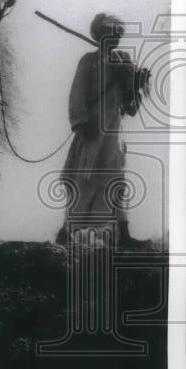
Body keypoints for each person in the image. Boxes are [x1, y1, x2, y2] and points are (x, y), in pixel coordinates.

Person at [56, 12, 149, 248]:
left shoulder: (124, 61)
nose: (115, 38)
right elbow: (77, 93)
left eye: (118, 34)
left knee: (116, 179)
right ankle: (67, 232)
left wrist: (137, 82)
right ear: (99, 35)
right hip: (92, 130)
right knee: (84, 179)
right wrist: (80, 122)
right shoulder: (88, 61)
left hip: (114, 132)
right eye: (110, 33)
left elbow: (130, 107)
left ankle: (124, 235)